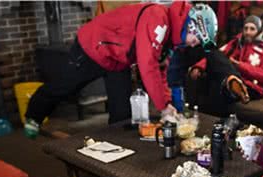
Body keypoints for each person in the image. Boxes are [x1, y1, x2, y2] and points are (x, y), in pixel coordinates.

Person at [23, 2, 218, 138]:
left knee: (122, 113)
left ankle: (112, 158)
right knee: (65, 87)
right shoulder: (158, 18)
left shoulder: (170, 37)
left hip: (117, 60)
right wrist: (163, 107)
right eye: (198, 39)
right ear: (193, 26)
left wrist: (166, 102)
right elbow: (147, 65)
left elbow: (159, 69)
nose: (195, 44)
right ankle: (33, 115)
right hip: (93, 47)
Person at [188, 15, 263, 116]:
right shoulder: (237, 41)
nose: (248, 32)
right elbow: (217, 56)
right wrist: (199, 67)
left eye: (252, 29)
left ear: (259, 31)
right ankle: (233, 81)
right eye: (246, 28)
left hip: (252, 87)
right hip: (230, 78)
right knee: (213, 53)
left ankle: (235, 83)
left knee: (217, 85)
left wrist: (239, 65)